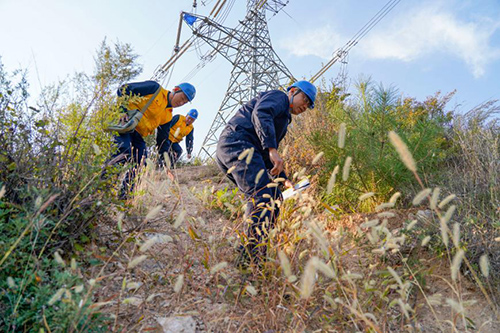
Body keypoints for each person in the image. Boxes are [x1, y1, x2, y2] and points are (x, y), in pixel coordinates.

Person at [215, 80, 317, 267]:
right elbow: (261, 113)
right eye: (305, 99)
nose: (305, 106)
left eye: (309, 105)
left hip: (242, 149)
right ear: (293, 91)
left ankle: (258, 249)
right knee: (260, 196)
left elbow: (264, 153)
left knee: (274, 196)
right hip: (237, 143)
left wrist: (283, 180)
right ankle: (250, 257)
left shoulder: (284, 120)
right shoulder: (279, 98)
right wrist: (272, 149)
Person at [111, 80, 196, 198]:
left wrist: (166, 165)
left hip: (138, 135)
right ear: (176, 90)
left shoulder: (168, 116)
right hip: (125, 124)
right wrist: (122, 111)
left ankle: (124, 196)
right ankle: (104, 185)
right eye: (182, 98)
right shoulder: (154, 89)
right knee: (123, 149)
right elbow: (124, 89)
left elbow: (162, 140)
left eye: (185, 102)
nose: (181, 102)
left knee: (142, 162)